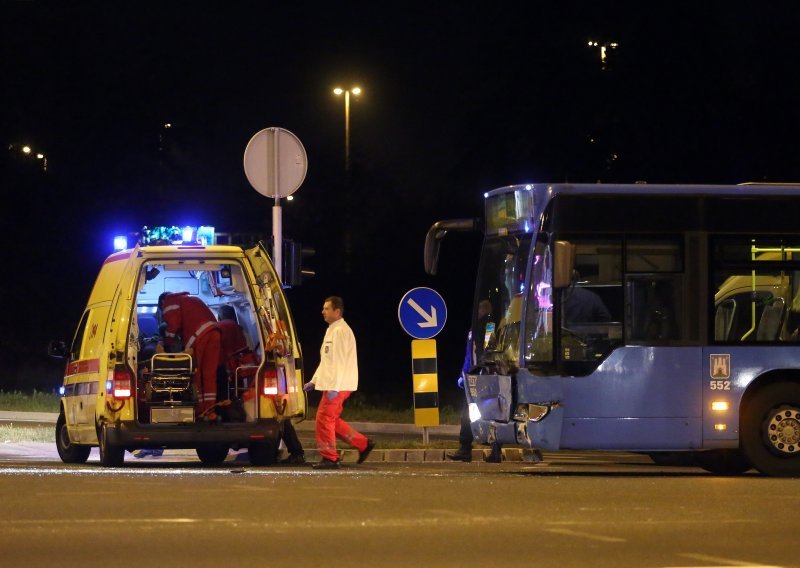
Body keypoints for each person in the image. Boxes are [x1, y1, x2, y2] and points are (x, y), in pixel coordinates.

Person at [303, 296, 374, 469]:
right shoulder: (333, 330)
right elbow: (327, 361)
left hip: (338, 385)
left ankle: (330, 458)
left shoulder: (340, 331)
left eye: (326, 308)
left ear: (337, 311)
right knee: (331, 419)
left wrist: (334, 388)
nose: (323, 312)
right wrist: (314, 381)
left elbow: (339, 361)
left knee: (324, 418)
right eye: (323, 308)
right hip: (336, 384)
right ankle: (363, 444)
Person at [157, 291, 222, 420]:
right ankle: (210, 411)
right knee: (209, 374)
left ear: (162, 303)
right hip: (215, 332)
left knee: (195, 373)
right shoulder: (191, 299)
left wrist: (166, 343)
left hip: (199, 336)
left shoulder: (170, 301)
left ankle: (199, 410)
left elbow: (172, 325)